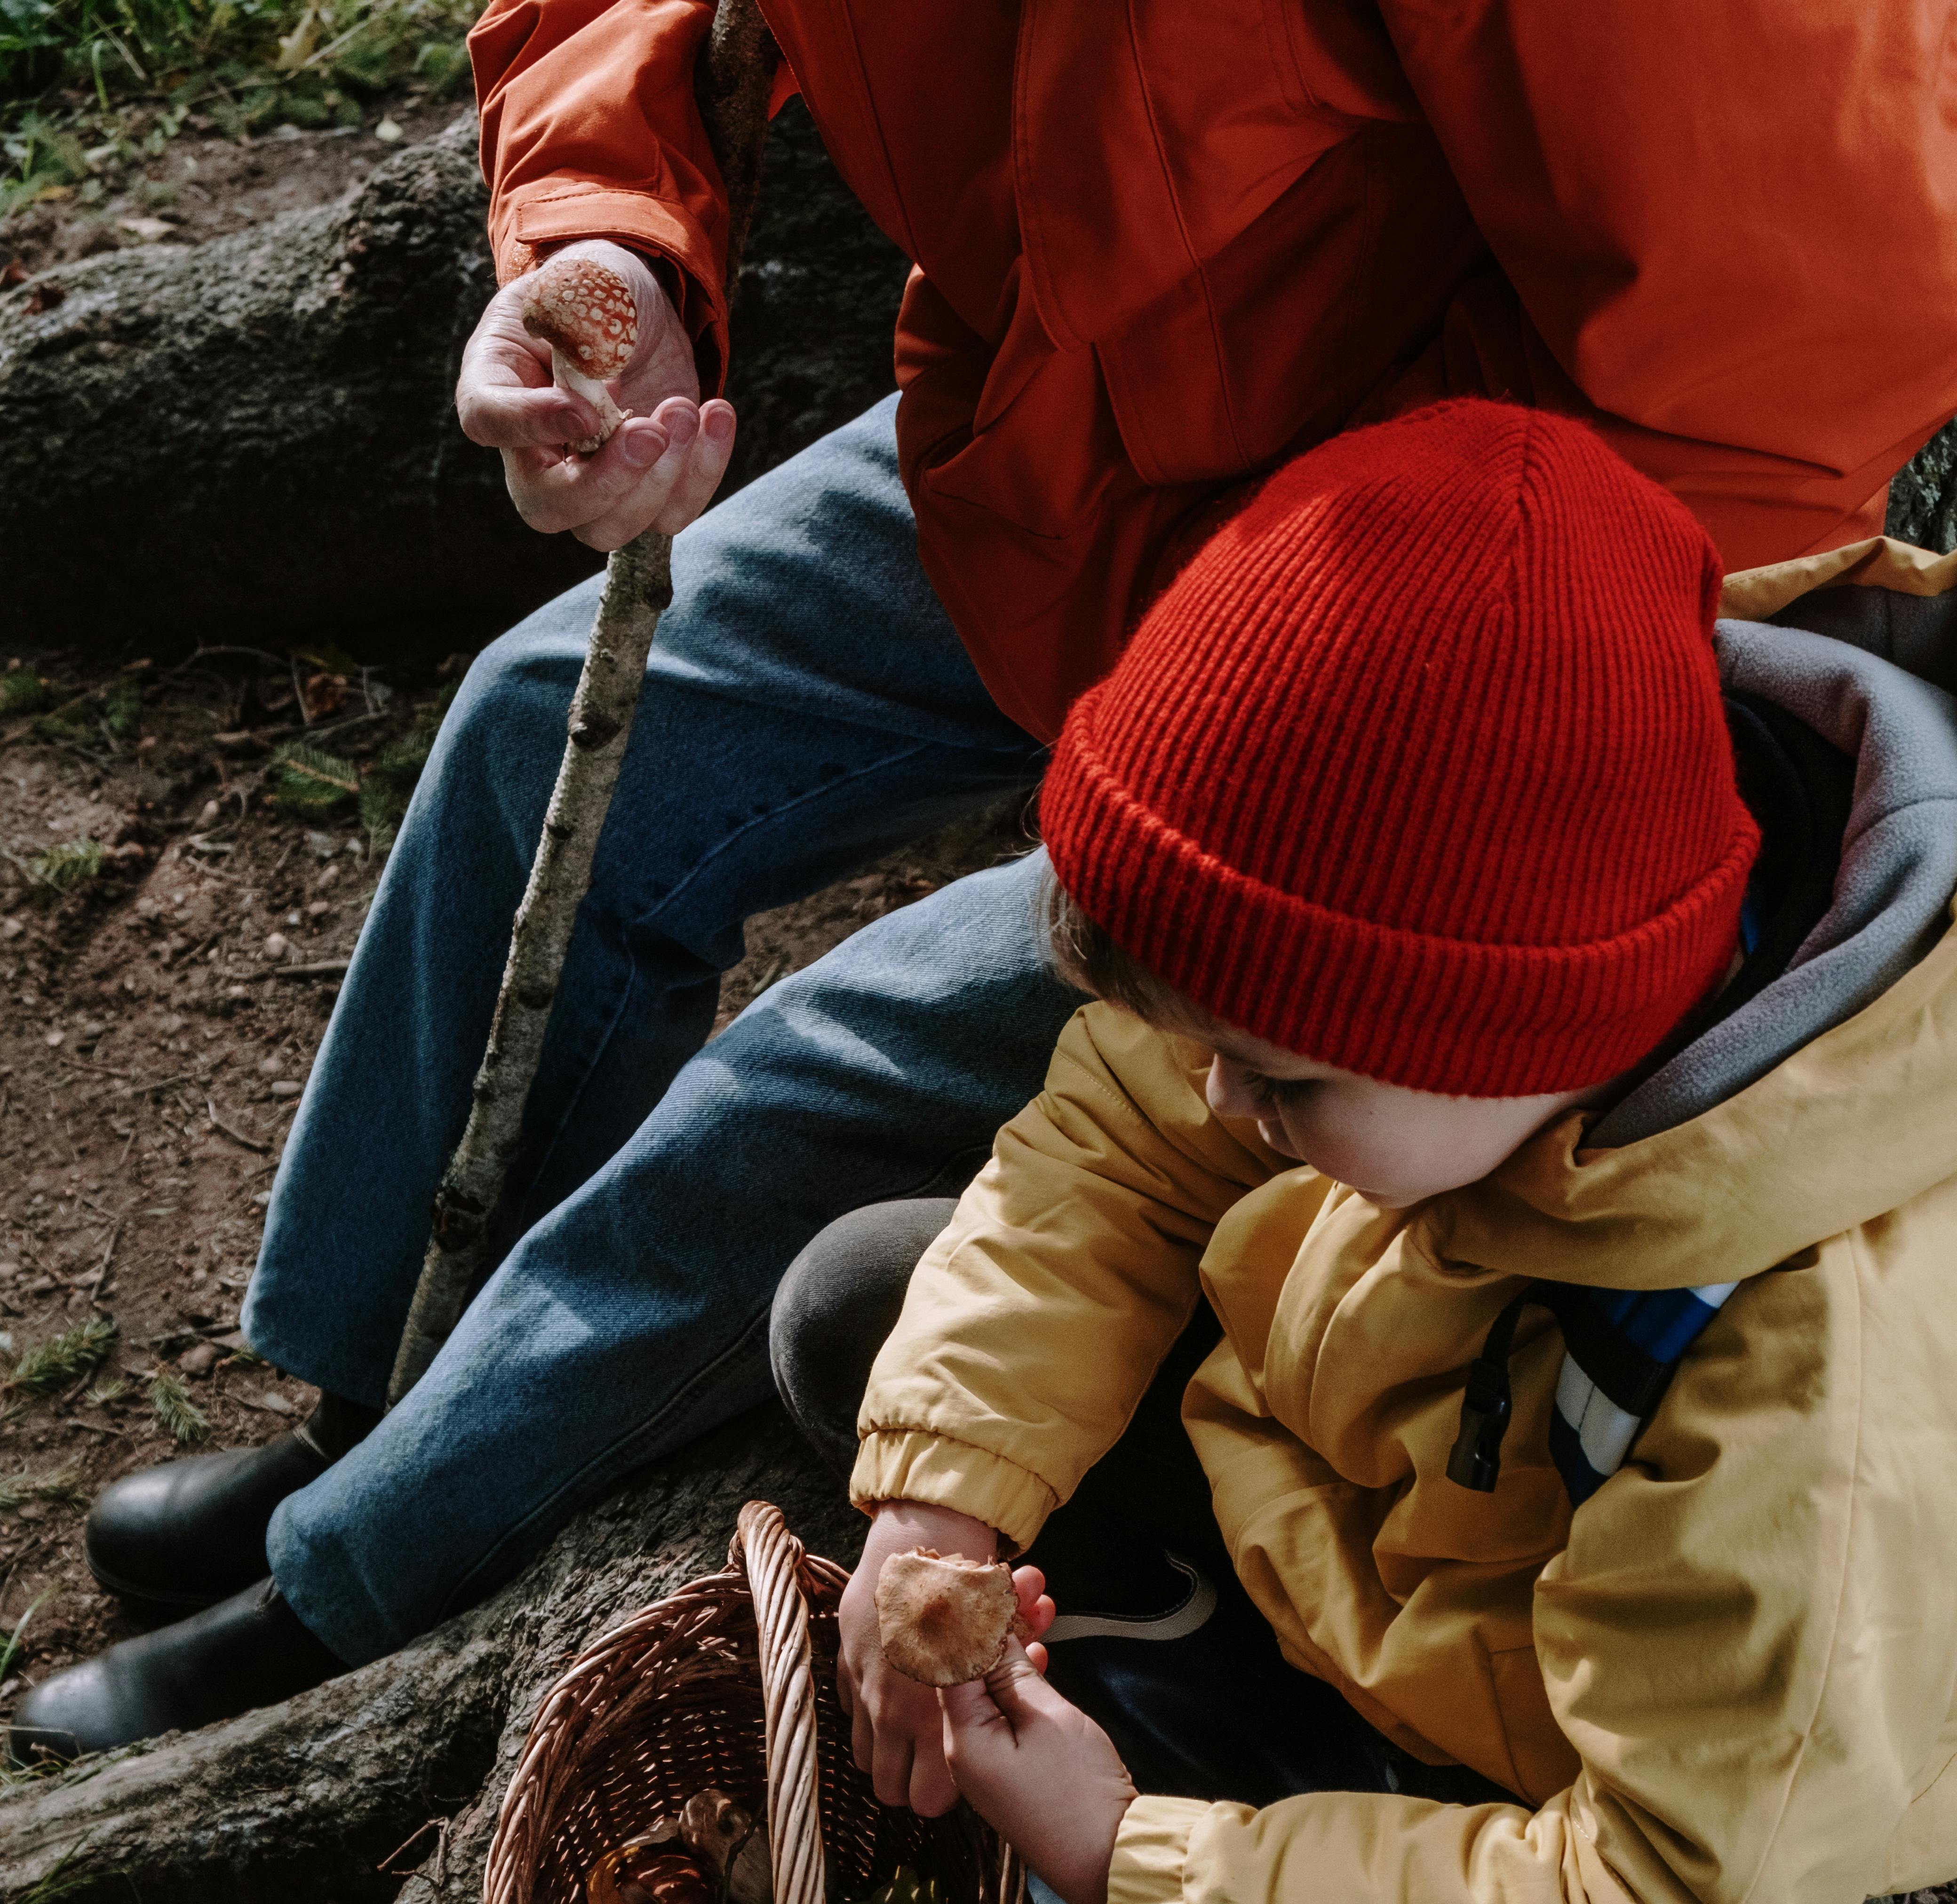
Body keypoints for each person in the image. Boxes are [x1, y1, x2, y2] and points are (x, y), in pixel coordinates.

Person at [13, 1, 1956, 1759]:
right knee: (549, 728)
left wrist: (1373, 709)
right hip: (1054, 441)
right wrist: (610, 223)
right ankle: (388, 1400)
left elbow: (1789, 331)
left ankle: (358, 1582)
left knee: (805, 1082)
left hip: (1420, 629)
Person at [771, 399, 1957, 1904]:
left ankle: (1271, 1818)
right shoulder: (1414, 947)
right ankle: (1252, 1717)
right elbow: (1113, 1136)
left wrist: (1128, 1865)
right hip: (1387, 1482)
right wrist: (941, 1499)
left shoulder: (1807, 1404)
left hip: (1606, 1772)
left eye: (1283, 1079)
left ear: (1515, 1036)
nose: (1217, 1094)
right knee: (864, 1313)